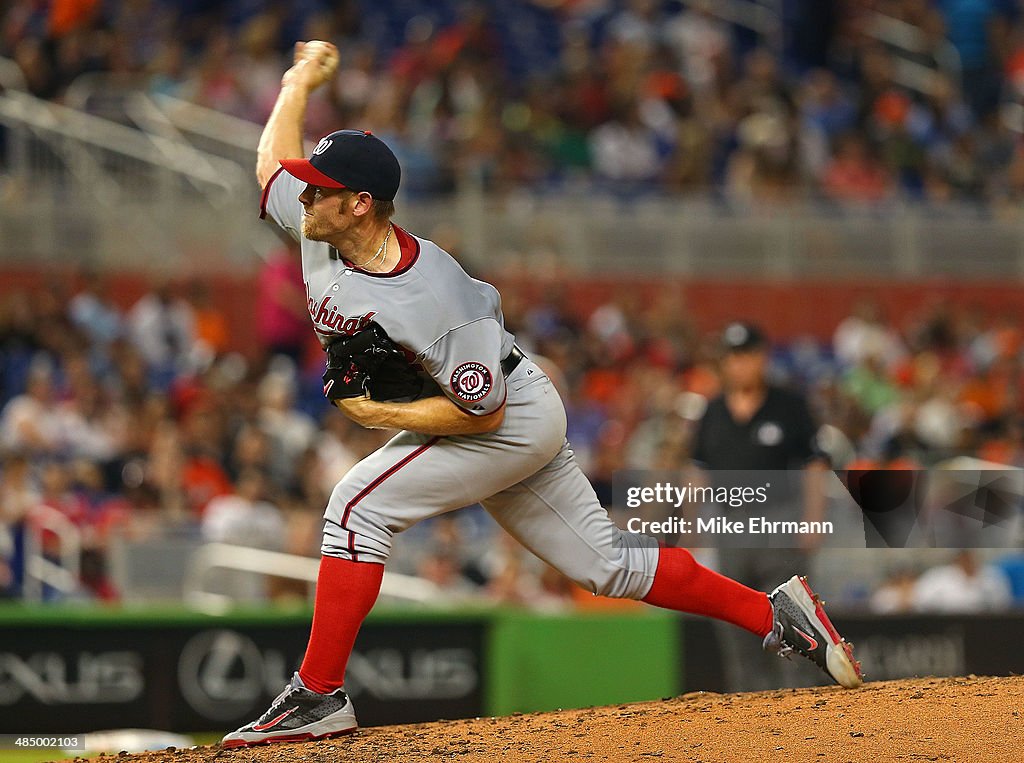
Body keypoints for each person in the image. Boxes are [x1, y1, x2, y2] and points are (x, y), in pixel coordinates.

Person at [222, 41, 862, 748]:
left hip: (506, 416)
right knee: (608, 565)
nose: (303, 194)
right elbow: (269, 162)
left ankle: (318, 695)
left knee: (355, 507)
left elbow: (483, 411)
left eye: (319, 187)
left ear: (361, 205)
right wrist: (296, 81)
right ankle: (780, 614)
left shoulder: (433, 295)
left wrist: (378, 413)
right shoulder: (322, 226)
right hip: (504, 404)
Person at [690, 322, 830, 691]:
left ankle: (803, 706)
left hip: (779, 521)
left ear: (762, 358)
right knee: (735, 625)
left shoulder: (789, 406)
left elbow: (814, 465)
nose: (741, 365)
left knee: (793, 622)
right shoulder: (713, 411)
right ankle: (749, 715)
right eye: (733, 357)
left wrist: (812, 520)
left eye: (748, 355)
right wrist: (692, 526)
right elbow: (698, 471)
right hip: (731, 524)